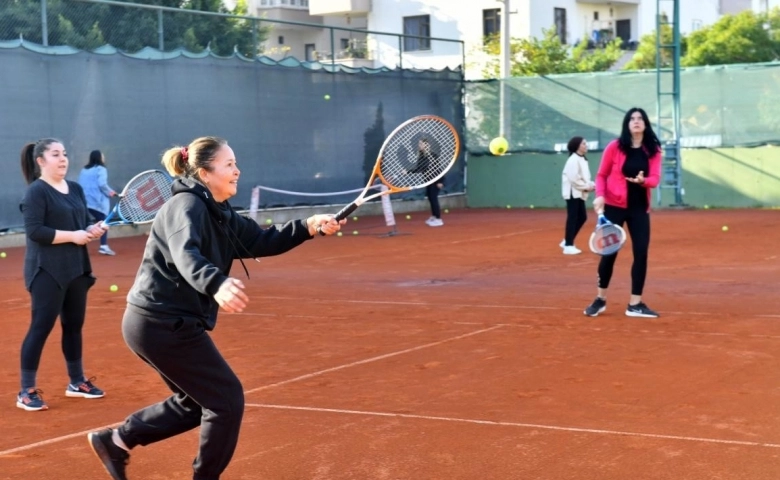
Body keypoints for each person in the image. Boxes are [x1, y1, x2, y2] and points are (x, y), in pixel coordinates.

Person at [86, 136, 345, 480]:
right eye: (229, 164)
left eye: (235, 163)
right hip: (160, 322)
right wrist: (217, 283)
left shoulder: (218, 210)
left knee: (197, 402)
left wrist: (308, 226)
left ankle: (116, 441)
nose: (237, 170)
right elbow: (186, 254)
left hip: (166, 322)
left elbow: (259, 240)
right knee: (226, 400)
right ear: (205, 173)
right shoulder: (186, 207)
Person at [17, 139, 110, 411]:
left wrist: (92, 229)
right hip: (46, 270)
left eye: (65, 154)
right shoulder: (36, 192)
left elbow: (79, 226)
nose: (63, 159)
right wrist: (75, 235)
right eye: (55, 154)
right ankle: (26, 391)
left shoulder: (77, 189)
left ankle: (77, 381)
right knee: (40, 327)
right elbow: (36, 232)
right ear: (41, 161)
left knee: (73, 326)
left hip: (76, 268)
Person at [584, 107, 662, 319]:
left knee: (641, 253)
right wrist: (600, 195)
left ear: (645, 124)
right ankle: (600, 299)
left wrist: (642, 181)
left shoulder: (653, 150)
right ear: (627, 124)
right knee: (608, 254)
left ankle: (635, 304)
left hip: (639, 210)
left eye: (640, 119)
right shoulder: (615, 147)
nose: (636, 121)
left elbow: (655, 179)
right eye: (632, 119)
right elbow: (601, 175)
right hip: (613, 207)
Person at [78, 150, 117, 256]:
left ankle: (77, 244)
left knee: (83, 223)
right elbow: (102, 184)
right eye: (102, 156)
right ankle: (103, 246)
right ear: (99, 158)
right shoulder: (101, 169)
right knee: (104, 222)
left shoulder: (84, 170)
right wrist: (111, 193)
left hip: (84, 201)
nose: (104, 158)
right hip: (97, 202)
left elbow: (80, 184)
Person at [560, 136, 594, 255]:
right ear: (577, 146)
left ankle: (567, 241)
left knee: (582, 217)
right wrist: (587, 186)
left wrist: (590, 185)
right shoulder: (573, 159)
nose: (586, 145)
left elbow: (584, 178)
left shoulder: (583, 159)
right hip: (572, 192)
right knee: (573, 217)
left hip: (579, 192)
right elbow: (574, 179)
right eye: (584, 144)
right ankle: (568, 245)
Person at [412, 138, 444, 227]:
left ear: (427, 145)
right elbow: (419, 169)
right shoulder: (422, 156)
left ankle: (438, 219)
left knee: (433, 198)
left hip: (436, 180)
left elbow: (439, 169)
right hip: (428, 181)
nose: (419, 146)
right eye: (419, 144)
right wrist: (407, 172)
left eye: (421, 144)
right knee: (430, 198)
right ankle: (434, 216)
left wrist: (440, 181)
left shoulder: (432, 156)